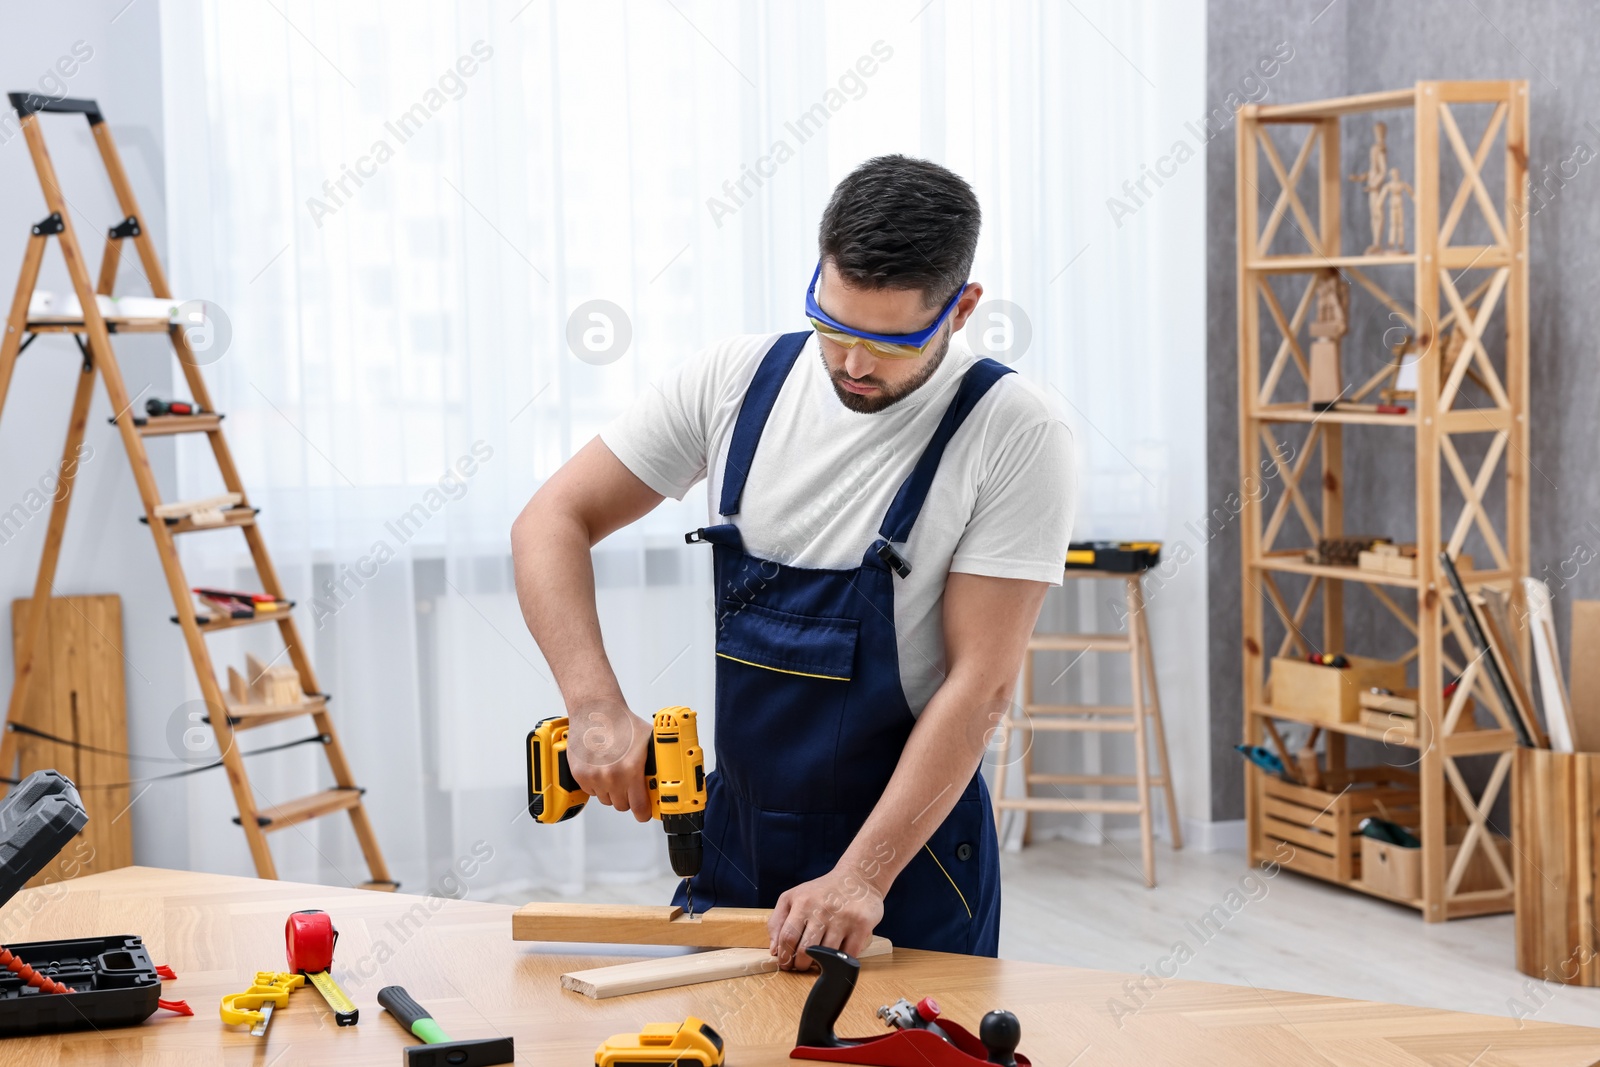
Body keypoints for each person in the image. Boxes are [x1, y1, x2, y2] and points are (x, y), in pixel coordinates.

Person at [512, 155, 1075, 969]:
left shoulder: (1014, 431)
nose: (851, 363)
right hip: (733, 846)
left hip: (904, 870)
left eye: (889, 342)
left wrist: (859, 877)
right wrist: (594, 704)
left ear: (961, 311)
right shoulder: (735, 382)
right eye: (833, 324)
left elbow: (979, 686)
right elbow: (549, 521)